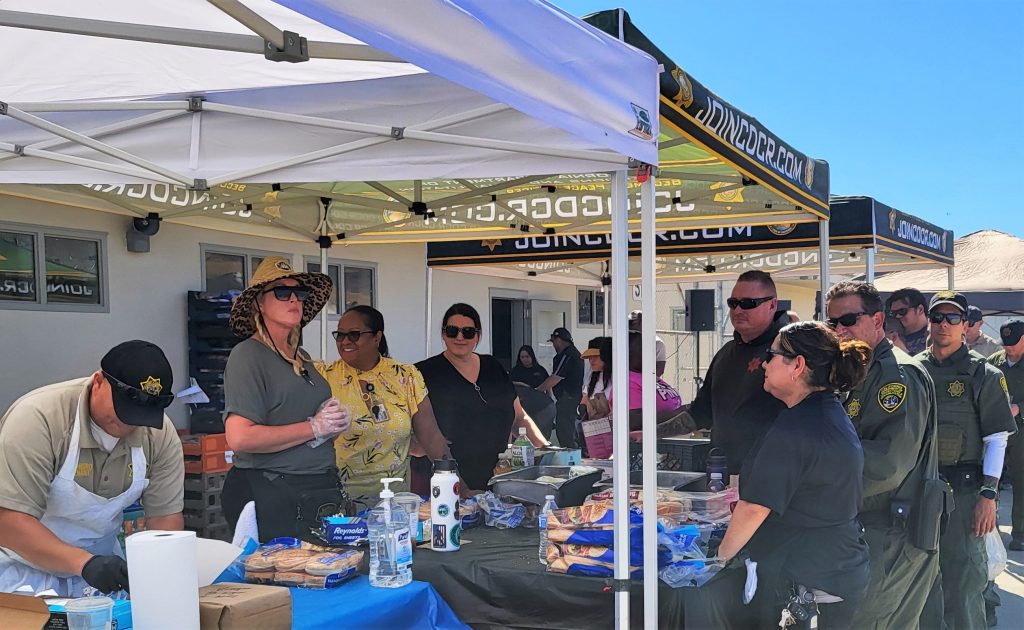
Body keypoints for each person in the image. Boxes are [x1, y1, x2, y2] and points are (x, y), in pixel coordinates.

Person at [718, 322, 872, 629]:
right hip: (833, 569)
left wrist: (716, 562)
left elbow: (753, 508)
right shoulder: (822, 413)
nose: (764, 362)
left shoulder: (800, 426)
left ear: (797, 365)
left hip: (813, 581)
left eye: (772, 354)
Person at [0, 341, 184, 596]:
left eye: (139, 416)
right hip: (20, 574)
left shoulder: (158, 435)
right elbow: (9, 521)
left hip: (101, 579)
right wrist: (83, 563)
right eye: (123, 409)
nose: (128, 422)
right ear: (98, 381)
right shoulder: (39, 419)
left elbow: (165, 518)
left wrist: (160, 576)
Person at [825, 281, 940, 629]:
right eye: (833, 323)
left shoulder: (897, 376)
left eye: (848, 320)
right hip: (870, 527)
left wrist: (815, 483)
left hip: (893, 530)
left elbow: (887, 464)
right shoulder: (857, 372)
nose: (839, 330)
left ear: (877, 319)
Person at [221, 257, 352, 542]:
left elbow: (299, 416)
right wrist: (314, 427)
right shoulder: (248, 355)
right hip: (273, 491)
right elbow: (240, 438)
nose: (294, 299)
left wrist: (332, 421)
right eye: (281, 292)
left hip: (317, 488)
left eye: (299, 293)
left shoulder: (302, 357)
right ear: (259, 303)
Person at [917, 291, 1016, 630]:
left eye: (953, 318)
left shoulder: (983, 374)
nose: (944, 324)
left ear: (965, 325)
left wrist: (989, 496)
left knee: (965, 583)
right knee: (924, 584)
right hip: (920, 493)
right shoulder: (913, 371)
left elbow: (997, 439)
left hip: (964, 495)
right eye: (937, 318)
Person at [318, 305, 452, 504]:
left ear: (376, 337)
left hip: (395, 503)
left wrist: (455, 485)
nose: (345, 341)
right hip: (339, 503)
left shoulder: (406, 375)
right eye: (340, 335)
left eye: (354, 335)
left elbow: (431, 436)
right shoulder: (323, 377)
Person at [665, 270, 787, 475]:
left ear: (772, 305)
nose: (738, 310)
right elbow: (701, 413)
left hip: (772, 477)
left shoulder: (790, 351)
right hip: (723, 474)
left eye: (748, 304)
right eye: (733, 303)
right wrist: (649, 434)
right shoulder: (725, 353)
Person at [416, 303, 548, 491]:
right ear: (443, 334)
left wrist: (548, 451)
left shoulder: (492, 366)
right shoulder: (423, 372)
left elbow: (520, 417)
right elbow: (414, 434)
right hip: (448, 481)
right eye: (452, 331)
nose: (460, 337)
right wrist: (460, 487)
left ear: (478, 335)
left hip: (499, 476)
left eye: (468, 332)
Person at [989, 319, 1024, 551]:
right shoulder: (994, 362)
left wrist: (1019, 407)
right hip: (996, 429)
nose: (1008, 347)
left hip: (1021, 431)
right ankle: (990, 527)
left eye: (1013, 343)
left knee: (1021, 481)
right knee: (990, 478)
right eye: (1005, 343)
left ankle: (1020, 532)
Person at [537, 327, 584, 449]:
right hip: (566, 399)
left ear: (558, 340)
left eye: (553, 342)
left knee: (565, 432)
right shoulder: (565, 355)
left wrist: (536, 391)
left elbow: (556, 377)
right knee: (564, 431)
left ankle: (572, 460)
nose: (553, 345)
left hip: (568, 399)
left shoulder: (568, 354)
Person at [626, 331, 683, 432]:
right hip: (650, 444)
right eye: (642, 349)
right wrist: (678, 414)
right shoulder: (629, 382)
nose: (650, 353)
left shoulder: (648, 376)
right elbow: (635, 421)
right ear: (628, 354)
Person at [580, 337, 613, 458]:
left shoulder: (616, 377)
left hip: (611, 434)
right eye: (589, 357)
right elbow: (584, 399)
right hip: (593, 434)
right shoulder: (591, 377)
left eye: (596, 357)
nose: (591, 361)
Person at [886, 287, 930, 355]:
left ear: (920, 309)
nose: (897, 316)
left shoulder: (935, 332)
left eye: (902, 311)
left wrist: (902, 350)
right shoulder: (891, 332)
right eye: (893, 313)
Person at [628, 311, 667, 377]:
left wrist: (644, 383)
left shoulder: (656, 343)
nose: (631, 325)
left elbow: (660, 369)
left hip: (645, 383)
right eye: (630, 322)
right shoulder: (623, 341)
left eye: (634, 323)